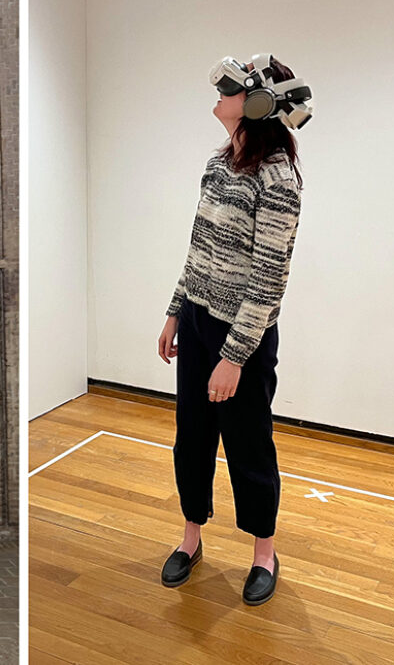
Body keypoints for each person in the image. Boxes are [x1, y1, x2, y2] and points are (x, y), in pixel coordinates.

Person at [156, 56, 306, 606]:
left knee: (248, 445)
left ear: (258, 105)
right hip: (197, 321)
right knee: (191, 438)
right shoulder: (217, 165)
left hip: (244, 335)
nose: (217, 95)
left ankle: (264, 552)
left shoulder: (279, 178)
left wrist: (235, 356)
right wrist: (176, 310)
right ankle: (191, 538)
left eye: (229, 89)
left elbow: (269, 278)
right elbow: (198, 249)